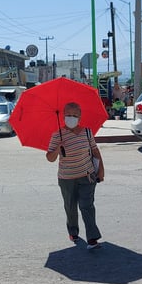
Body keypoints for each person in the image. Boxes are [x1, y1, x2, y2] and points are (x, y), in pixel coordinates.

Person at [46, 102, 104, 250]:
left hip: (87, 176)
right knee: (70, 207)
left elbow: (95, 151)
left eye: (74, 115)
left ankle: (92, 239)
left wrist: (101, 171)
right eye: (68, 115)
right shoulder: (57, 135)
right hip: (66, 179)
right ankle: (73, 231)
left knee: (87, 206)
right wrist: (58, 147)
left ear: (80, 117)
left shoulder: (87, 132)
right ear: (63, 116)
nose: (71, 118)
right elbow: (50, 158)